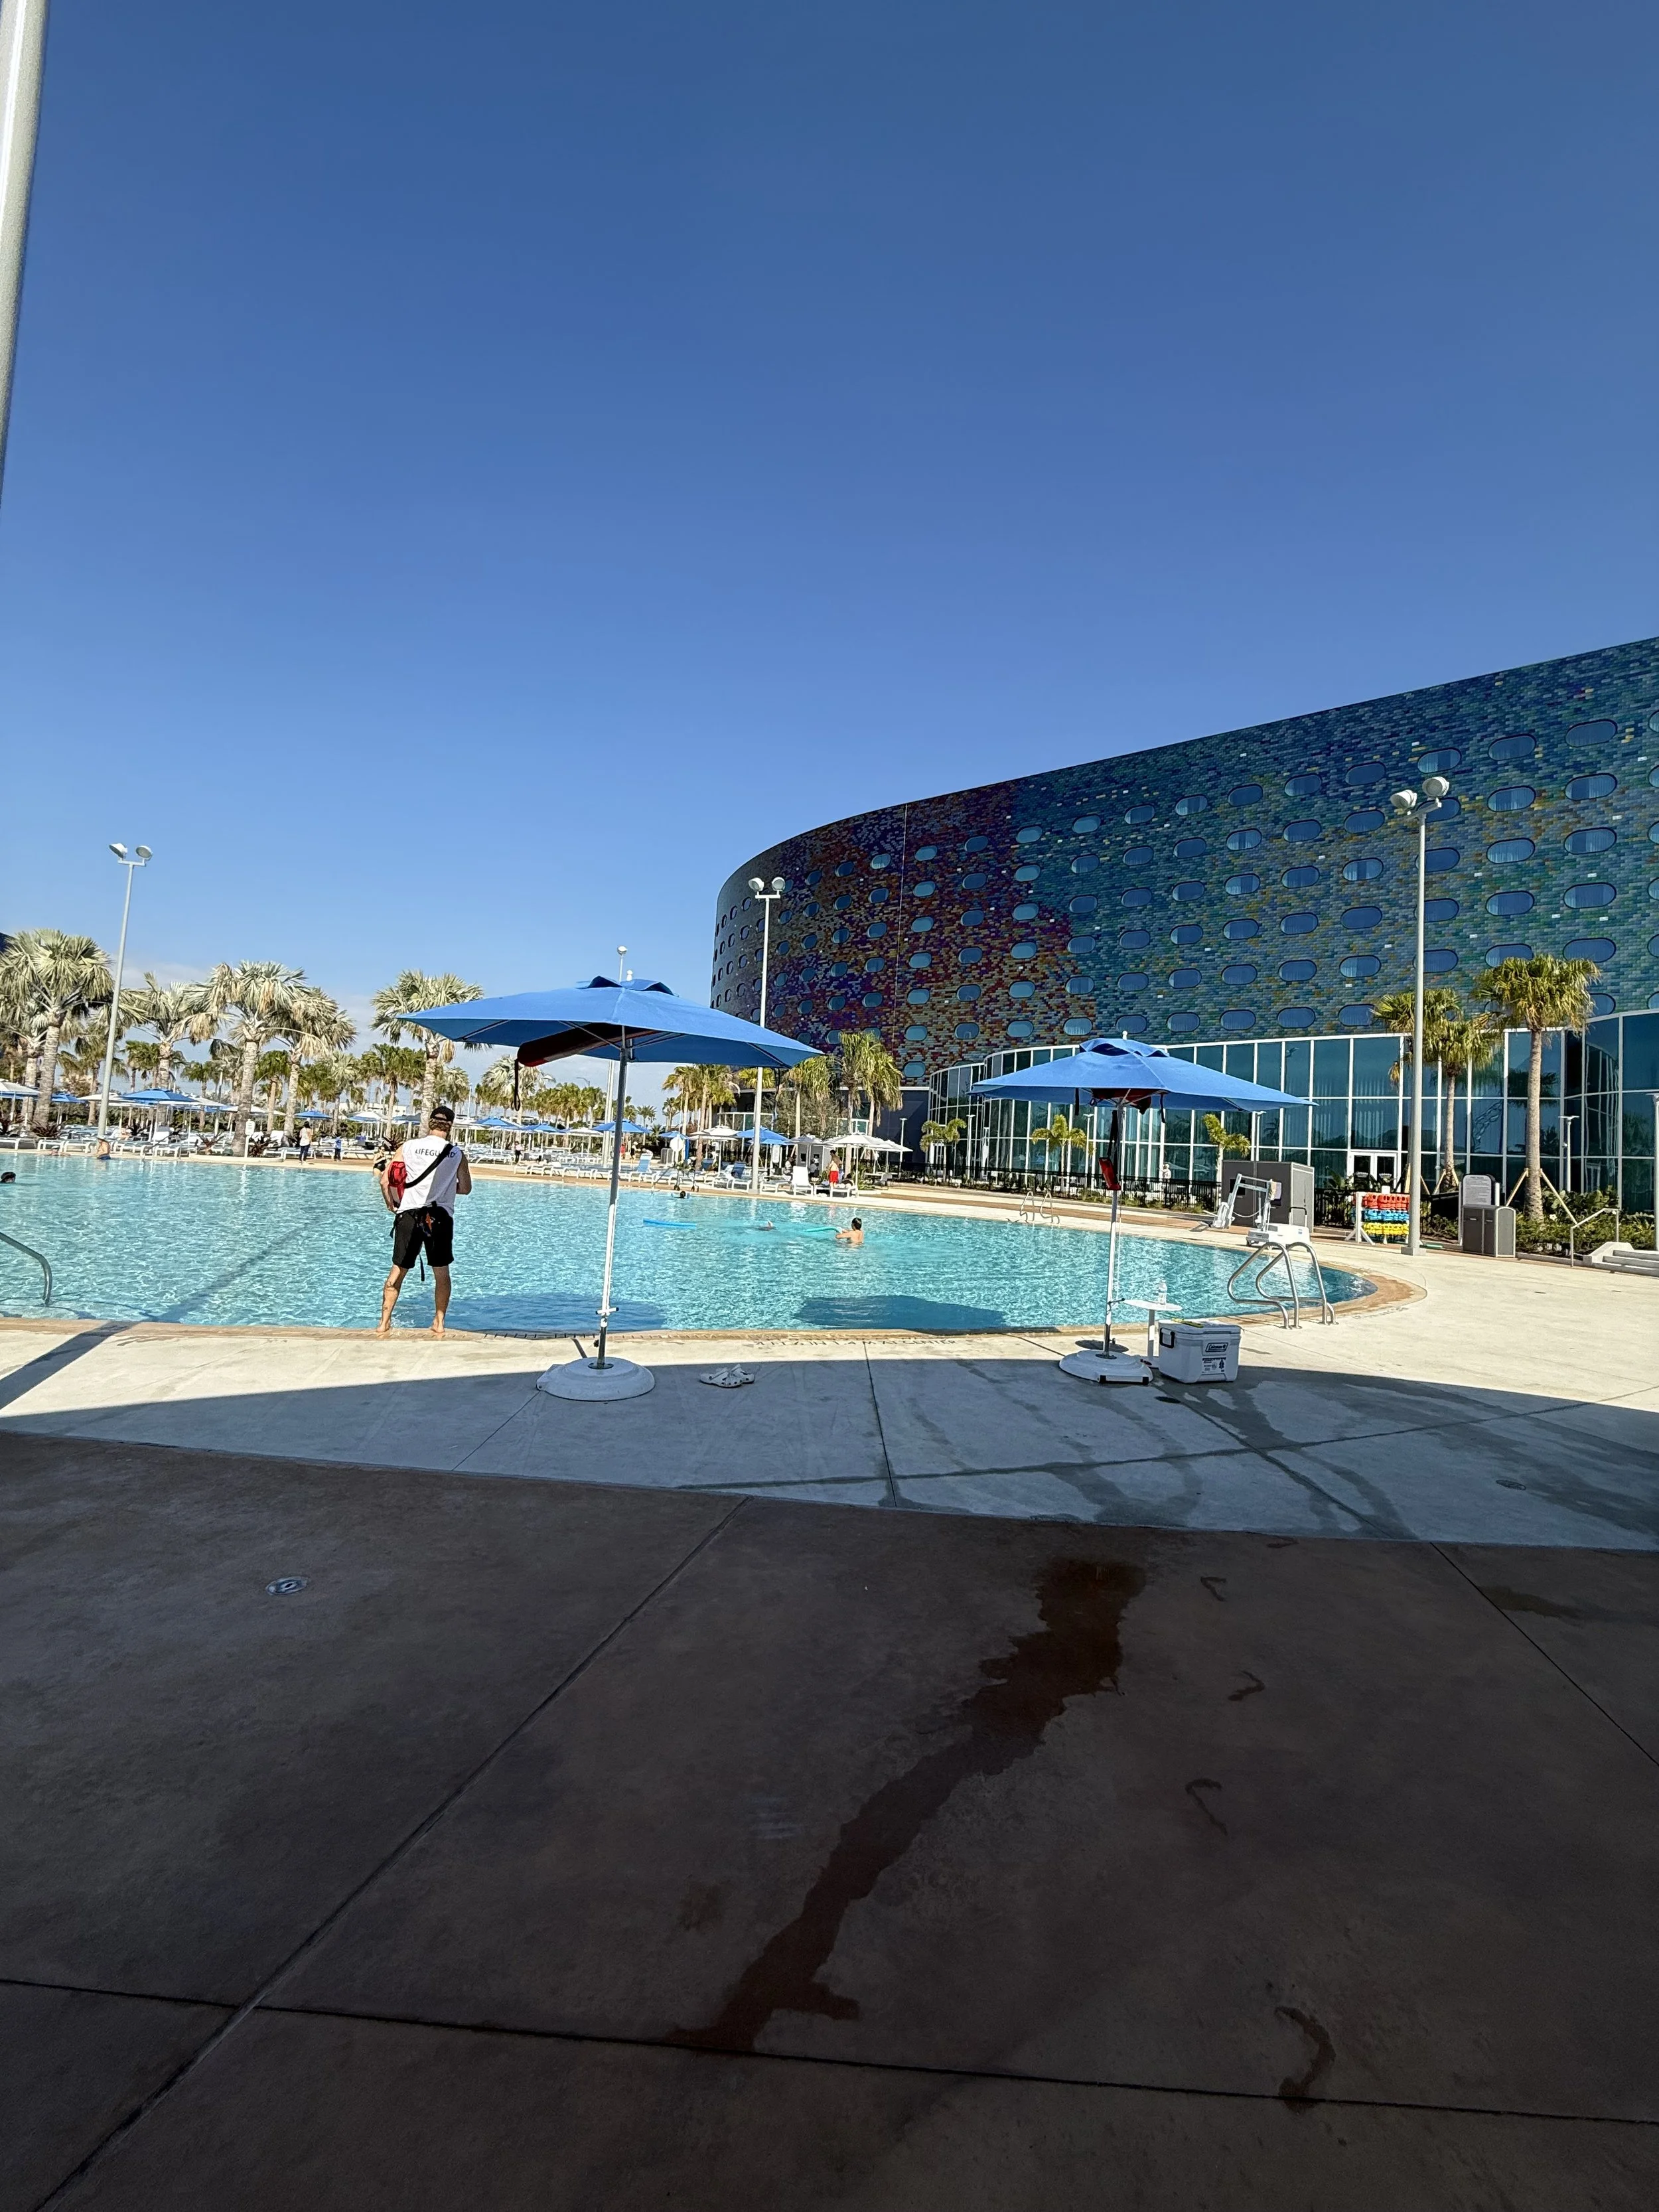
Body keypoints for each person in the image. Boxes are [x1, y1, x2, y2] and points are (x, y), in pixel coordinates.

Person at [377, 1105, 472, 1335]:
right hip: (438, 1216)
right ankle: (438, 1323)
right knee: (441, 1272)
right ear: (449, 1126)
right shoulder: (456, 1153)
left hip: (408, 1213)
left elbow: (384, 1180)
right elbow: (466, 1188)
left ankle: (384, 1323)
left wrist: (391, 1203)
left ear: (430, 1123)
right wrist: (446, 1188)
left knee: (398, 1270)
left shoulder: (408, 1147)